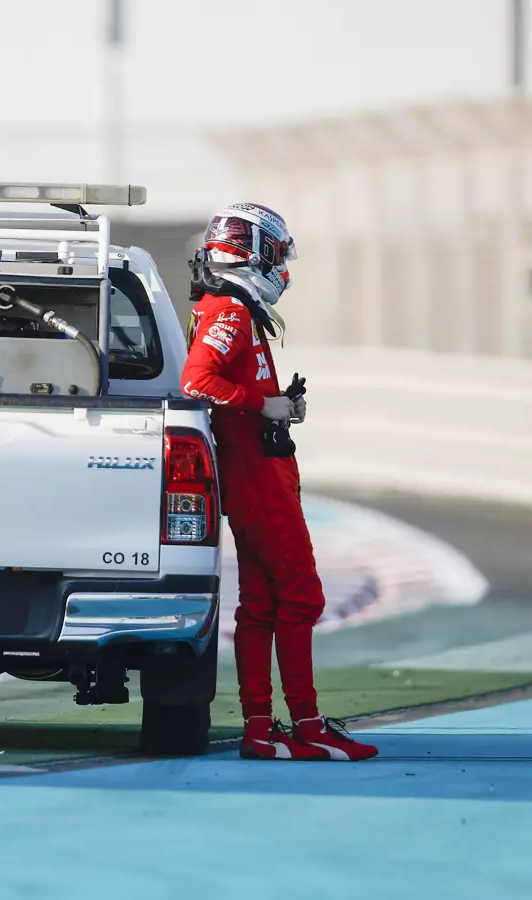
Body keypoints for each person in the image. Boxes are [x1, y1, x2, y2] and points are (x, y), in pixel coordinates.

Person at [180, 203, 378, 761]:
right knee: (301, 594)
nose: (283, 268)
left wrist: (280, 406)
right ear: (255, 250)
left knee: (263, 603)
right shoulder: (230, 310)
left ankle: (262, 730)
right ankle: (306, 724)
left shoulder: (235, 307)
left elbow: (232, 387)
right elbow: (197, 381)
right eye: (278, 253)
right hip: (256, 478)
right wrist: (265, 404)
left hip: (260, 472)